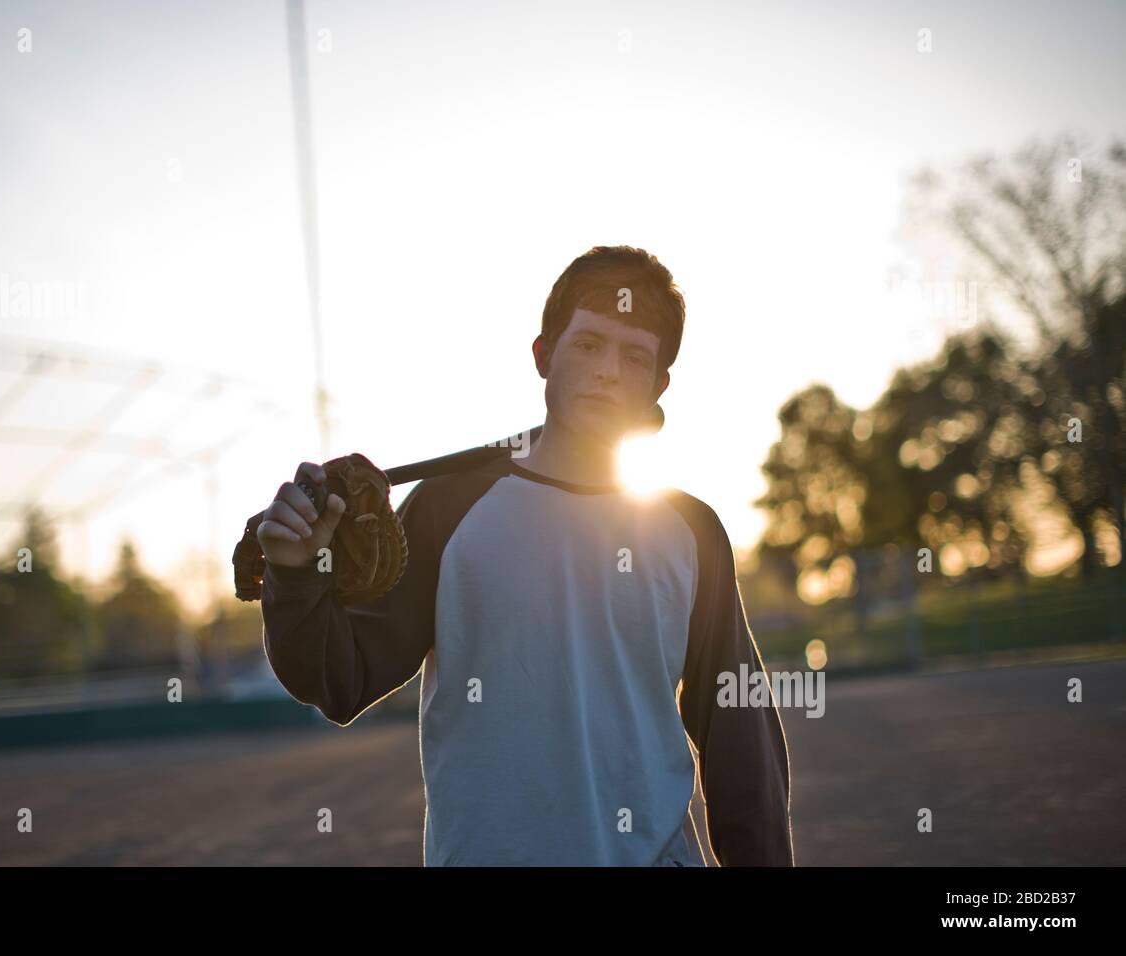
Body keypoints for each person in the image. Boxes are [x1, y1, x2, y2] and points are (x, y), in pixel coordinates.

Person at [257, 245, 794, 866]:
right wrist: (297, 574)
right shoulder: (449, 507)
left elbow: (740, 735)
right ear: (543, 355)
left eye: (634, 355)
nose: (608, 371)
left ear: (658, 385)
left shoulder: (689, 530)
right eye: (589, 344)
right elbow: (338, 679)